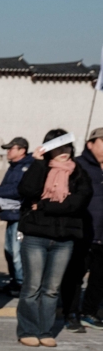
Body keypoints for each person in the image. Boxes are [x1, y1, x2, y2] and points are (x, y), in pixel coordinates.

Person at [16, 129, 92, 347]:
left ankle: (45, 330)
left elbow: (77, 203)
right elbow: (27, 190)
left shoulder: (78, 172)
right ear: (48, 149)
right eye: (58, 147)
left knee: (51, 289)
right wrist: (38, 163)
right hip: (36, 236)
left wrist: (43, 205)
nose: (64, 152)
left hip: (64, 239)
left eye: (67, 146)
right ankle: (27, 330)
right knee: (32, 287)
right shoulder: (39, 168)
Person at [60, 128, 103, 332]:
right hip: (82, 230)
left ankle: (89, 312)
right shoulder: (77, 165)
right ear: (90, 144)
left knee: (99, 277)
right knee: (74, 276)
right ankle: (71, 313)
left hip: (102, 234)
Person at [0, 137, 33, 296]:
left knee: (17, 252)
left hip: (20, 216)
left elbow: (20, 190)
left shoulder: (27, 167)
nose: (8, 151)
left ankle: (21, 283)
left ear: (22, 150)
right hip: (11, 216)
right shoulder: (14, 167)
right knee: (9, 250)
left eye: (11, 148)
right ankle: (14, 281)